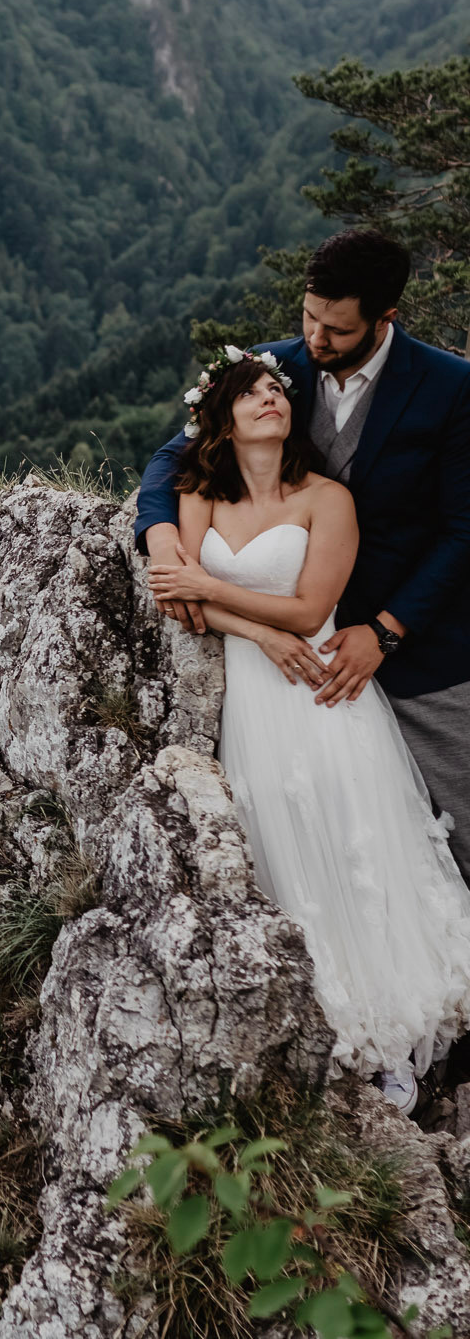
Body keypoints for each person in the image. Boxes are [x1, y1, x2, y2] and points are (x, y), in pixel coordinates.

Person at [145, 351, 470, 1110]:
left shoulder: (328, 498)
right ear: (222, 417)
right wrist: (248, 631)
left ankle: (392, 1043)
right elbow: (181, 600)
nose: (271, 397)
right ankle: (316, 1019)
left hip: (324, 687)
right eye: (252, 392)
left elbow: (306, 609)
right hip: (255, 694)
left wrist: (216, 593)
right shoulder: (197, 493)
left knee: (353, 846)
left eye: (276, 390)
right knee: (281, 850)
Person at [135, 230, 470, 885]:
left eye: (337, 330)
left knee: (459, 825)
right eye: (309, 317)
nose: (315, 340)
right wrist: (164, 545)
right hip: (288, 672)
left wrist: (386, 630)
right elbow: (169, 459)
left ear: (386, 319)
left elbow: (464, 529)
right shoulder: (275, 372)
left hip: (420, 647)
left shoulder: (452, 387)